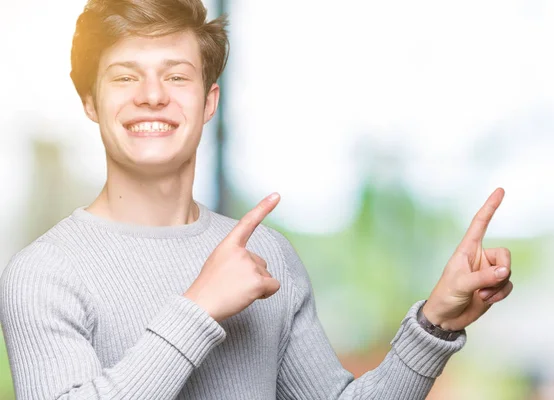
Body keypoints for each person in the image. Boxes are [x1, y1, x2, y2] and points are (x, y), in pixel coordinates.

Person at [0, 0, 514, 398]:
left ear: (209, 101)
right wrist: (199, 307)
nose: (152, 95)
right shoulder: (43, 272)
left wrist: (436, 323)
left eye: (176, 76)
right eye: (125, 77)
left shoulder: (267, 258)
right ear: (90, 102)